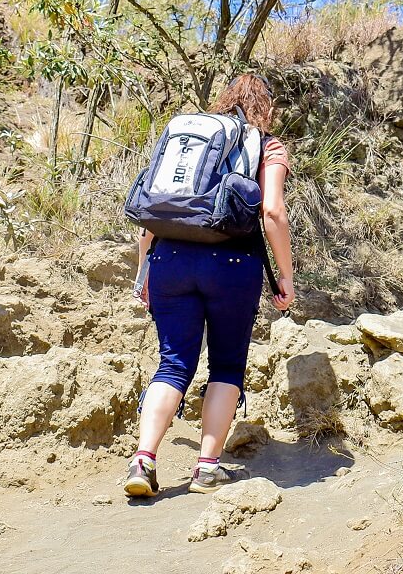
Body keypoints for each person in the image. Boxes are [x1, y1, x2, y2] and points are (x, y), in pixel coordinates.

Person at [125, 73, 295, 497]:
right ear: (266, 107)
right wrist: (286, 275)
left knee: (173, 363)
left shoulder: (187, 140)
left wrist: (144, 269)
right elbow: (272, 212)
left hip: (170, 258)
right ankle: (206, 469)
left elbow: (156, 207)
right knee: (226, 364)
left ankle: (143, 461)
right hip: (233, 264)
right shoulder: (266, 145)